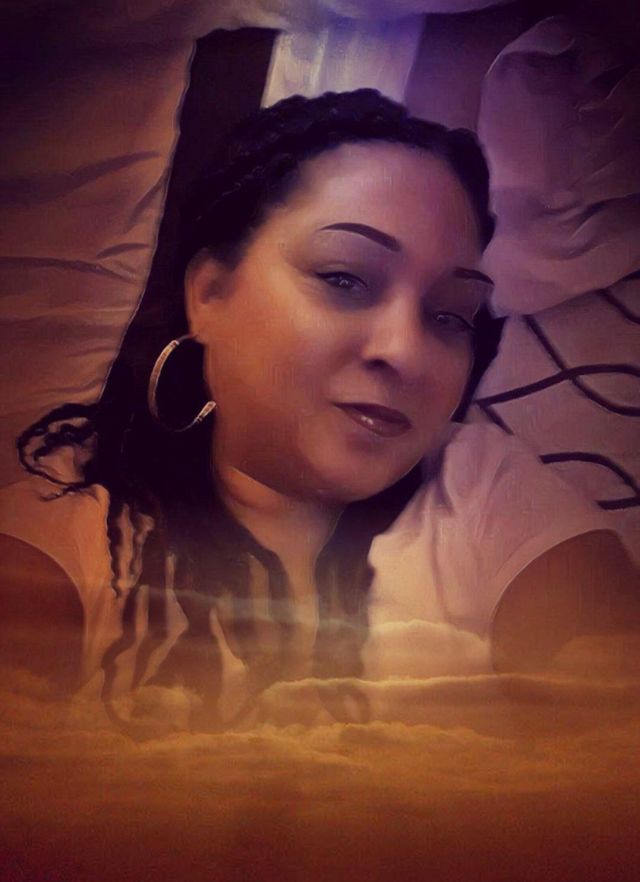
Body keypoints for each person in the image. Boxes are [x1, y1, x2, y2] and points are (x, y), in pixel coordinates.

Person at [0, 89, 637, 732]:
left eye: (450, 316)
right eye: (344, 278)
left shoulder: (485, 488)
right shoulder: (72, 517)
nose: (407, 352)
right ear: (209, 295)